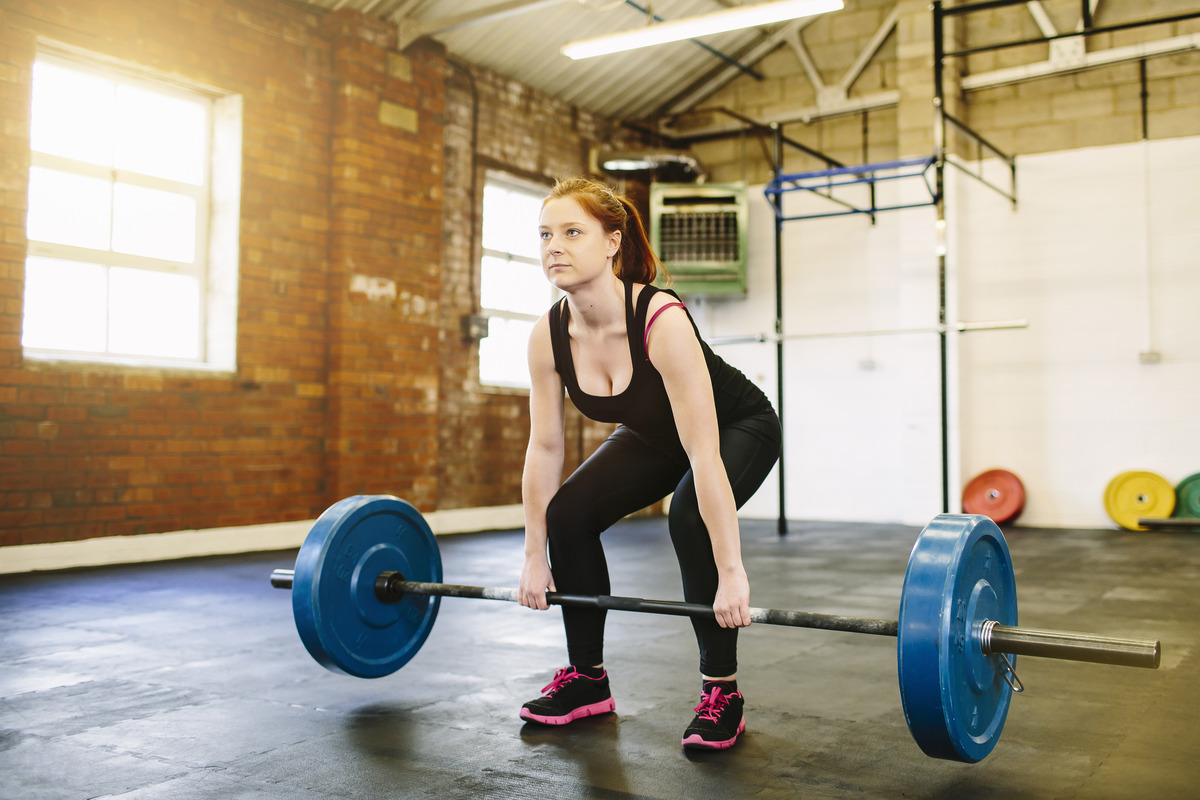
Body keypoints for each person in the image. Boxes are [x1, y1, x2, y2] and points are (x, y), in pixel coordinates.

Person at [516, 177, 781, 751]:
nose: (553, 246)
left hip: (737, 427)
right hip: (652, 436)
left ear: (613, 242)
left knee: (687, 515)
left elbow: (704, 451)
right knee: (568, 516)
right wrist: (535, 555)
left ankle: (722, 691)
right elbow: (544, 449)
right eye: (544, 235)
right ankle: (587, 680)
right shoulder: (547, 336)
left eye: (571, 232)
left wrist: (731, 570)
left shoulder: (659, 319)